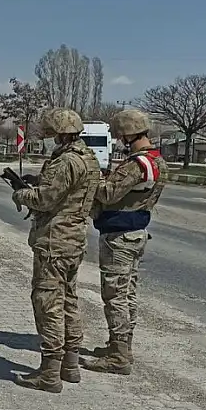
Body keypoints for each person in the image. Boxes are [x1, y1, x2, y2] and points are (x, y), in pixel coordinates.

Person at [8, 108, 101, 393]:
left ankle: (49, 373)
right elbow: (67, 193)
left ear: (59, 134)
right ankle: (70, 365)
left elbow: (46, 199)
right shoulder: (89, 158)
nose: (48, 138)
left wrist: (21, 193)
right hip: (73, 241)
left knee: (48, 302)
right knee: (69, 299)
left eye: (50, 133)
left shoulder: (66, 162)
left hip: (54, 242)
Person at [82, 109, 168, 375]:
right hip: (135, 233)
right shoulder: (157, 161)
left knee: (115, 295)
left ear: (128, 134)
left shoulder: (136, 164)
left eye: (120, 134)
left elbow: (108, 194)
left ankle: (119, 356)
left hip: (119, 237)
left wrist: (92, 178)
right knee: (127, 293)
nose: (119, 139)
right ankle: (120, 346)